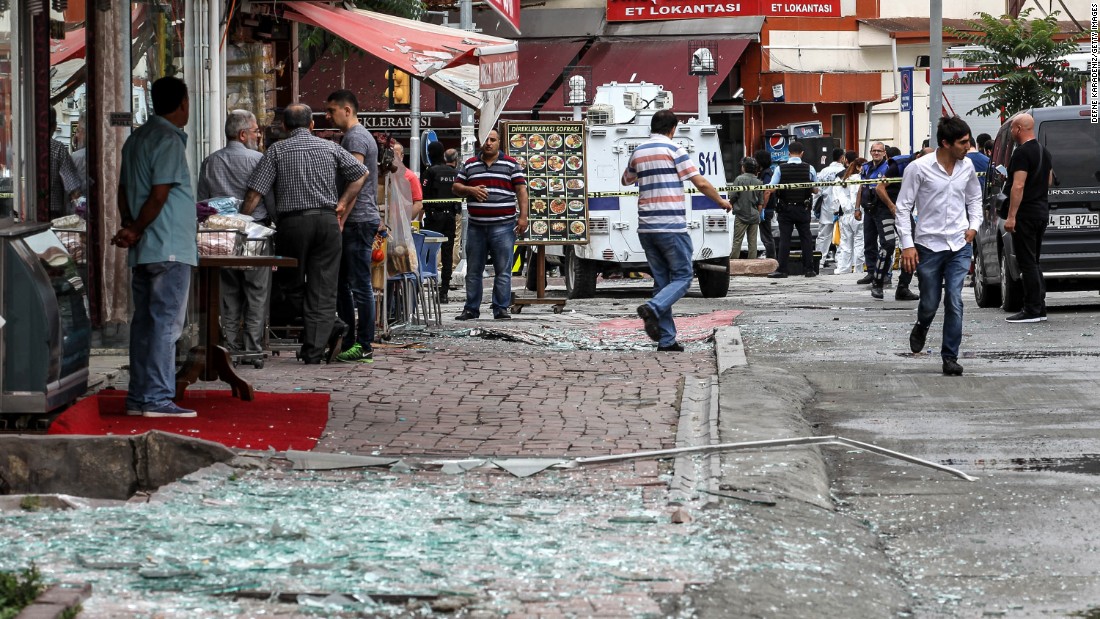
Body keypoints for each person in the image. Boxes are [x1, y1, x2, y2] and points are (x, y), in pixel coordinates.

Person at [241, 103, 368, 364]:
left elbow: (256, 193)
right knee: (324, 287)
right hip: (326, 222)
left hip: (293, 225)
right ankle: (315, 347)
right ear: (311, 125)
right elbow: (361, 174)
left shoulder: (276, 150)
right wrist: (342, 203)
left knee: (289, 285)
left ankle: (329, 327)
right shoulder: (331, 147)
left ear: (284, 126)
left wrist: (241, 221)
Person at [113, 77, 198, 418]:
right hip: (168, 245)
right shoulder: (167, 139)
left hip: (148, 245)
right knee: (165, 324)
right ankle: (157, 399)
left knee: (145, 324)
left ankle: (139, 397)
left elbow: (123, 190)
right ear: (183, 104)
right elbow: (159, 195)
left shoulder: (136, 139)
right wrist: (134, 228)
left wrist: (130, 227)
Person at [624, 109, 733, 351]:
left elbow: (626, 180)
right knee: (683, 277)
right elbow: (700, 182)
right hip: (671, 225)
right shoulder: (675, 150)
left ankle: (667, 340)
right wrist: (721, 201)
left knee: (662, 281)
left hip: (646, 228)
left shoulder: (638, 151)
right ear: (672, 129)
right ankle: (652, 307)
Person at [897, 116, 982, 376]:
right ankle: (922, 325)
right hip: (928, 246)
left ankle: (950, 357)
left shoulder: (966, 167)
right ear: (945, 143)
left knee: (955, 300)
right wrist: (908, 246)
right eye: (963, 142)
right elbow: (903, 208)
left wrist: (974, 226)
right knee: (930, 303)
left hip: (959, 244)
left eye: (968, 141)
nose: (968, 147)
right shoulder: (919, 168)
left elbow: (975, 198)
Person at [196, 109, 272, 358]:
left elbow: (202, 203)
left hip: (221, 235)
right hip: (255, 233)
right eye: (255, 131)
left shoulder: (210, 161)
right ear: (242, 134)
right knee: (256, 292)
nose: (257, 136)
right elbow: (270, 200)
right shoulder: (258, 159)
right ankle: (252, 347)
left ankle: (229, 346)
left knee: (228, 292)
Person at [324, 90, 380, 364]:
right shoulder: (355, 136)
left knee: (359, 285)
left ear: (347, 110)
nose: (328, 116)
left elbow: (355, 177)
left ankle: (364, 344)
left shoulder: (356, 137)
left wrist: (342, 211)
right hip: (358, 218)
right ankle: (349, 339)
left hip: (358, 220)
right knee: (344, 283)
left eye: (332, 110)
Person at [452, 128, 529, 320]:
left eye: (493, 140)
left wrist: (523, 217)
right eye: (486, 140)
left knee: (503, 270)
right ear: (480, 142)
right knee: (473, 270)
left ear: (499, 142)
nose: (489, 143)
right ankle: (471, 308)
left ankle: (500, 308)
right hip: (477, 226)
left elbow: (521, 191)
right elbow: (456, 187)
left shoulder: (511, 164)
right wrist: (471, 190)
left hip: (503, 226)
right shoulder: (470, 165)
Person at [1003, 112, 1053, 323]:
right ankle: (1039, 306)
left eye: (1013, 128)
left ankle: (1032, 309)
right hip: (1041, 211)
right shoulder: (1044, 151)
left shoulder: (1021, 153)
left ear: (1019, 129)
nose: (1012, 133)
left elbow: (1018, 185)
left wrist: (1011, 216)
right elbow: (1049, 180)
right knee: (1034, 261)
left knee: (1027, 262)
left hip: (1026, 214)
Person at [764, 141, 818, 278]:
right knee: (806, 238)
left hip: (785, 208)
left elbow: (771, 188)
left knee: (785, 239)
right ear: (802, 154)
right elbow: (816, 189)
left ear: (788, 153)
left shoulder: (780, 168)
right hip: (803, 208)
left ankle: (782, 269)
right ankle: (809, 269)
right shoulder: (809, 168)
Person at [872, 149, 919, 301]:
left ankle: (903, 288)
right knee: (888, 244)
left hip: (904, 211)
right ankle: (877, 283)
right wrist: (892, 206)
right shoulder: (899, 165)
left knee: (911, 246)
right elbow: (879, 188)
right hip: (886, 208)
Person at [421, 142, 461, 302]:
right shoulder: (454, 172)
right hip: (450, 217)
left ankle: (428, 285)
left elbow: (424, 195)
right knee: (447, 254)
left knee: (429, 253)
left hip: (434, 217)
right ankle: (444, 291)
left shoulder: (430, 172)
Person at [856, 142, 889, 285]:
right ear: (870, 152)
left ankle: (885, 273)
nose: (876, 153)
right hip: (868, 209)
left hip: (882, 210)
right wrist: (857, 208)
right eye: (874, 151)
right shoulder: (866, 168)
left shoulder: (888, 167)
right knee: (869, 242)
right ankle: (871, 271)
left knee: (886, 243)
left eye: (879, 151)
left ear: (884, 152)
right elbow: (861, 188)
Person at [833, 157, 866, 274]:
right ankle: (859, 269)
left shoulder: (843, 179)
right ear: (858, 167)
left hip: (845, 215)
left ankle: (843, 268)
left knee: (845, 244)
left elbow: (836, 199)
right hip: (858, 214)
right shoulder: (860, 179)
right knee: (859, 243)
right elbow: (856, 198)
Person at [815, 148, 847, 269]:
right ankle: (840, 262)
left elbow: (818, 191)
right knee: (843, 235)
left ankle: (819, 261)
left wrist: (815, 208)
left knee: (823, 236)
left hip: (826, 206)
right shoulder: (845, 171)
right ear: (842, 158)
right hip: (841, 207)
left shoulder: (824, 171)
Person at [47, 107, 79, 219]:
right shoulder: (58, 148)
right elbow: (72, 185)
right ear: (54, 126)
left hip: (27, 211)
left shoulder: (25, 147)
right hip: (53, 212)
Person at [730, 156, 763, 259]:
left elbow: (733, 196)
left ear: (743, 167)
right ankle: (752, 264)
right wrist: (758, 214)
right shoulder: (759, 182)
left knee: (737, 240)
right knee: (752, 242)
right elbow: (760, 203)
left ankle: (734, 263)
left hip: (741, 215)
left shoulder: (739, 179)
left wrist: (730, 204)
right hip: (754, 215)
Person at [753, 150, 777, 259]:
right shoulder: (764, 173)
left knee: (766, 236)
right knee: (765, 235)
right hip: (766, 208)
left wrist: (762, 208)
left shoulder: (767, 174)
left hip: (766, 209)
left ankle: (771, 259)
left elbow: (767, 191)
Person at [392, 141, 424, 222]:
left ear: (402, 156)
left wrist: (405, 221)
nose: (392, 157)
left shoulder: (410, 177)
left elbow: (418, 204)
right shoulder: (381, 176)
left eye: (396, 154)